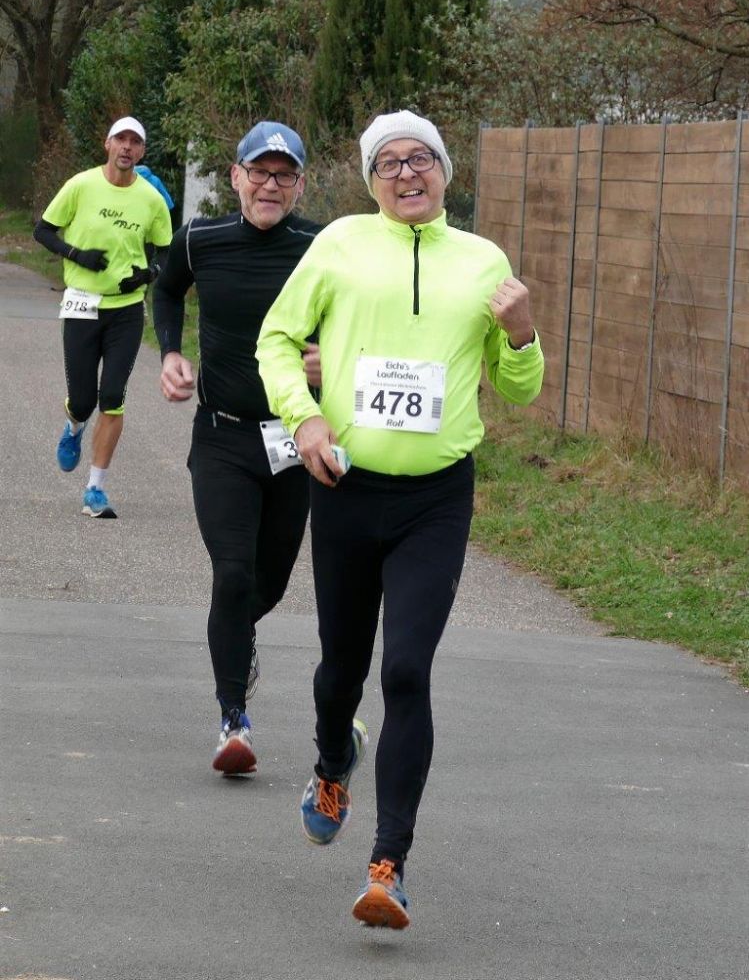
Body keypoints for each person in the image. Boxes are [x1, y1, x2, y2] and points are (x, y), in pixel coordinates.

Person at [257, 110, 544, 929]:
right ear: (369, 180)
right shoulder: (340, 244)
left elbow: (518, 388)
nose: (406, 172)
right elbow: (277, 340)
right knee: (340, 669)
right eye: (388, 162)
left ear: (445, 171)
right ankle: (330, 764)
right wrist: (306, 420)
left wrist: (521, 335)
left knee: (407, 671)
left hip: (434, 499)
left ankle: (387, 866)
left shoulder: (482, 260)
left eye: (421, 158)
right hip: (345, 485)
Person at [152, 121, 322, 777]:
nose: (269, 185)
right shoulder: (200, 239)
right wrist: (171, 352)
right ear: (235, 177)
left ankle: (235, 636)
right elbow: (167, 289)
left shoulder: (322, 249)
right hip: (222, 435)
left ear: (300, 184)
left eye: (284, 175)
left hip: (295, 440)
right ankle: (233, 720)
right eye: (259, 172)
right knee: (232, 573)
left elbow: (362, 320)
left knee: (267, 583)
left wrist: (334, 359)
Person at [33, 116, 172, 519]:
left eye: (135, 142)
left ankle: (95, 489)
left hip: (126, 310)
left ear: (142, 151)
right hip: (81, 303)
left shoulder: (151, 199)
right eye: (120, 139)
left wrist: (149, 275)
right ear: (107, 144)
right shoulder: (81, 185)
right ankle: (74, 425)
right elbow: (43, 231)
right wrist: (77, 255)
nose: (127, 147)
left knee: (112, 397)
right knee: (83, 400)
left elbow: (166, 250)